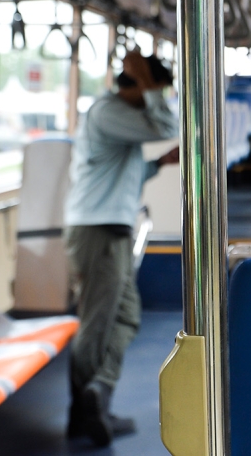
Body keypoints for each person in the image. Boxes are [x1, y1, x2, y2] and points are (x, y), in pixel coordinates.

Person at [64, 51, 179, 446]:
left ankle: (99, 391)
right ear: (137, 84)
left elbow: (126, 171)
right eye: (155, 88)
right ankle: (81, 415)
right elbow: (167, 123)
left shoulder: (121, 123)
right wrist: (149, 84)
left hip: (111, 226)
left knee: (126, 315)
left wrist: (160, 163)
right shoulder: (108, 112)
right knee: (97, 323)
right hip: (98, 230)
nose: (158, 96)